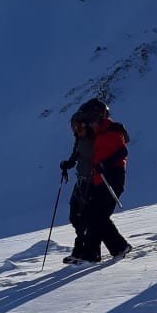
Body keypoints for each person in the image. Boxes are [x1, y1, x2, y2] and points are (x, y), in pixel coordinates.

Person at [80, 99, 133, 259]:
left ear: (98, 116)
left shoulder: (111, 130)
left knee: (99, 216)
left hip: (112, 178)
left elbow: (123, 151)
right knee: (93, 216)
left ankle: (118, 248)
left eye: (90, 120)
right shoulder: (98, 134)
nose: (89, 124)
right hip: (99, 180)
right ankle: (93, 254)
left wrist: (104, 164)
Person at [58, 110, 97, 264]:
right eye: (73, 128)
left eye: (78, 127)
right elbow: (76, 155)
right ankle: (81, 252)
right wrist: (68, 163)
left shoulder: (93, 140)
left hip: (91, 181)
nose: (75, 131)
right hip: (81, 181)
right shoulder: (79, 140)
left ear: (85, 125)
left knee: (84, 218)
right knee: (75, 216)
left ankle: (83, 252)